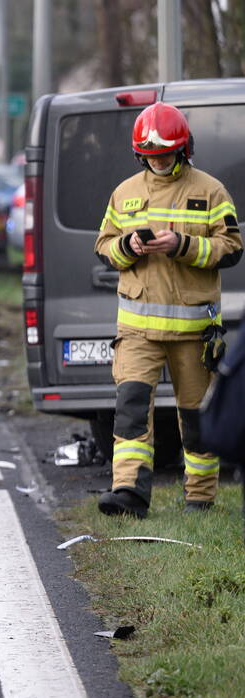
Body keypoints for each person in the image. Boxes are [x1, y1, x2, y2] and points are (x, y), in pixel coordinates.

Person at [94, 102, 241, 518]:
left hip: (194, 331)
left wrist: (183, 246)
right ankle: (129, 494)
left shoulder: (210, 191)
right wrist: (127, 247)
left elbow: (231, 249)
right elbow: (104, 246)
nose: (159, 161)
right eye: (151, 156)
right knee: (131, 412)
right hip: (137, 330)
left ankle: (200, 496)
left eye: (166, 154)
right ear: (140, 154)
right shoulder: (124, 193)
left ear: (183, 150)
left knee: (195, 418)